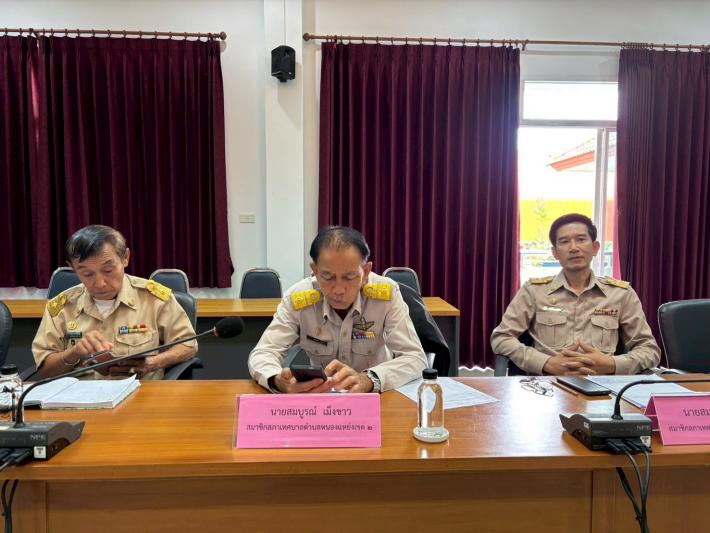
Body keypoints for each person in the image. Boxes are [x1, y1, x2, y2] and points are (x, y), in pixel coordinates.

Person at [248, 226, 427, 393]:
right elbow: (263, 353)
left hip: (376, 397)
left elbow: (415, 358)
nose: (339, 289)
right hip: (321, 398)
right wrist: (277, 380)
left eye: (349, 277)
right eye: (327, 277)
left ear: (366, 272)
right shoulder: (298, 299)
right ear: (315, 270)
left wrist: (370, 379)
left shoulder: (386, 295)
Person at [491, 213, 660, 376]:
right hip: (547, 385)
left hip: (603, 385)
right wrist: (546, 363)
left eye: (581, 239)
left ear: (595, 248)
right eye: (564, 242)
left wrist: (612, 364)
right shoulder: (534, 291)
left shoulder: (621, 294)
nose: (573, 248)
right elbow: (501, 337)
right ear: (555, 253)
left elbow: (649, 349)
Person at [32, 225, 197, 379]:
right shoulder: (61, 308)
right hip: (80, 397)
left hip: (141, 393)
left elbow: (189, 345)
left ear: (125, 258)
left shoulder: (154, 299)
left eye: (108, 270)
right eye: (87, 274)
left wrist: (153, 363)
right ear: (73, 268)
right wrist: (74, 353)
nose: (100, 283)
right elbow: (45, 369)